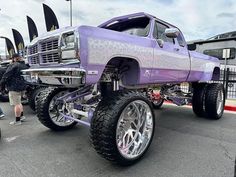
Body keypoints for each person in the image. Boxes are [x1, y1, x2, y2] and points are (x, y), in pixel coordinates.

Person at [0, 53, 29, 125]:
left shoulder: (13, 65)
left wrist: (2, 85)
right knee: (19, 103)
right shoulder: (24, 65)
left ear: (13, 58)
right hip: (22, 86)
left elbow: (6, 76)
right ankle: (21, 117)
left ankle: (17, 120)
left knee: (16, 104)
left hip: (14, 87)